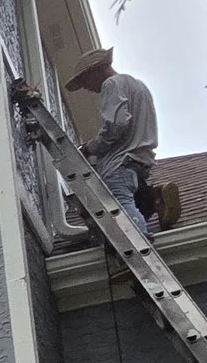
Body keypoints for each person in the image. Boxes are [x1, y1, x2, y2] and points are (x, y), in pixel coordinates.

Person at [64, 48, 159, 232]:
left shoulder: (111, 84)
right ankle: (156, 199)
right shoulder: (138, 85)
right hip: (141, 159)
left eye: (85, 80)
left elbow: (117, 125)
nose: (86, 87)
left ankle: (141, 241)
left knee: (120, 205)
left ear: (97, 70)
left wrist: (90, 148)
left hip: (121, 161)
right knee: (134, 200)